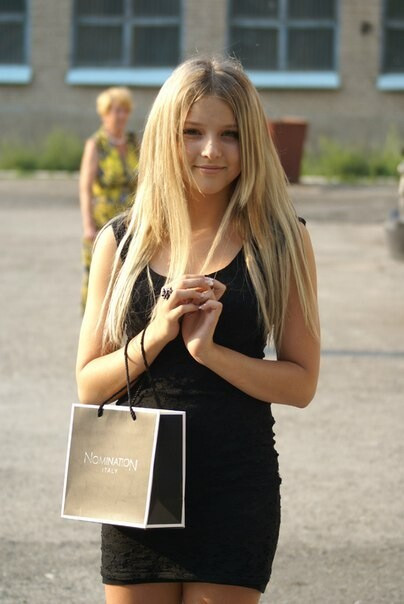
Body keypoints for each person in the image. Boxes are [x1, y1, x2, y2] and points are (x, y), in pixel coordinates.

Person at [76, 56, 320, 604]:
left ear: (252, 141)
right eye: (193, 132)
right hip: (135, 480)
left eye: (230, 134)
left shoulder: (283, 240)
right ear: (166, 135)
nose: (211, 150)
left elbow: (302, 384)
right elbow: (89, 384)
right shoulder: (121, 242)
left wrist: (209, 352)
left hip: (235, 486)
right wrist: (158, 333)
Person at [79, 86, 138, 309]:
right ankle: (92, 322)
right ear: (104, 114)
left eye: (124, 110)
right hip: (102, 221)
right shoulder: (96, 144)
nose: (120, 115)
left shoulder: (133, 142)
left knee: (128, 275)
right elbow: (85, 187)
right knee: (98, 276)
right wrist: (88, 225)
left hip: (131, 221)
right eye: (115, 110)